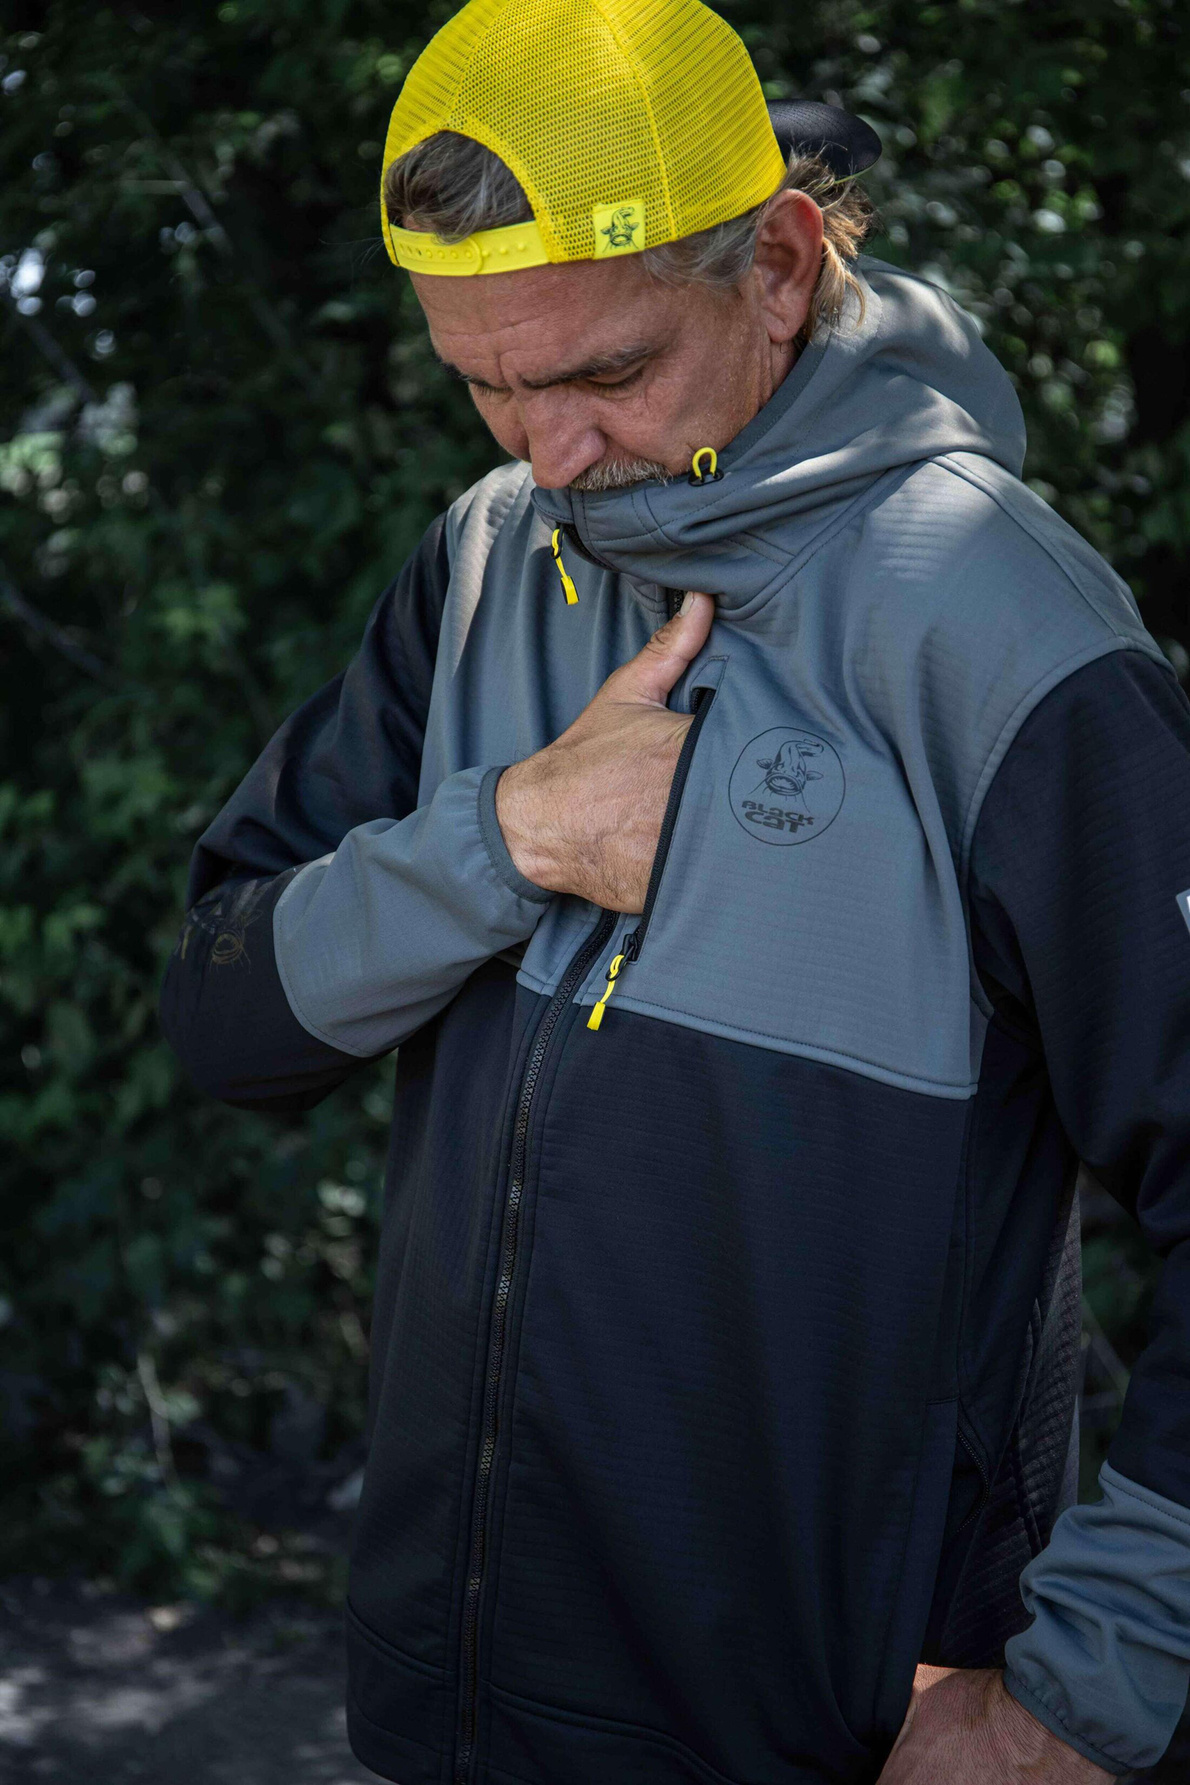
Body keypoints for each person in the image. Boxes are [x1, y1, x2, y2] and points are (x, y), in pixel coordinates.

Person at [159, 1, 1190, 1780]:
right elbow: (224, 1015)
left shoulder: (999, 627)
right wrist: (501, 840)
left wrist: (1080, 1701)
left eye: (604, 373)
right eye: (485, 382)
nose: (543, 452)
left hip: (827, 1728)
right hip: (450, 1709)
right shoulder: (483, 563)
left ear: (776, 269)